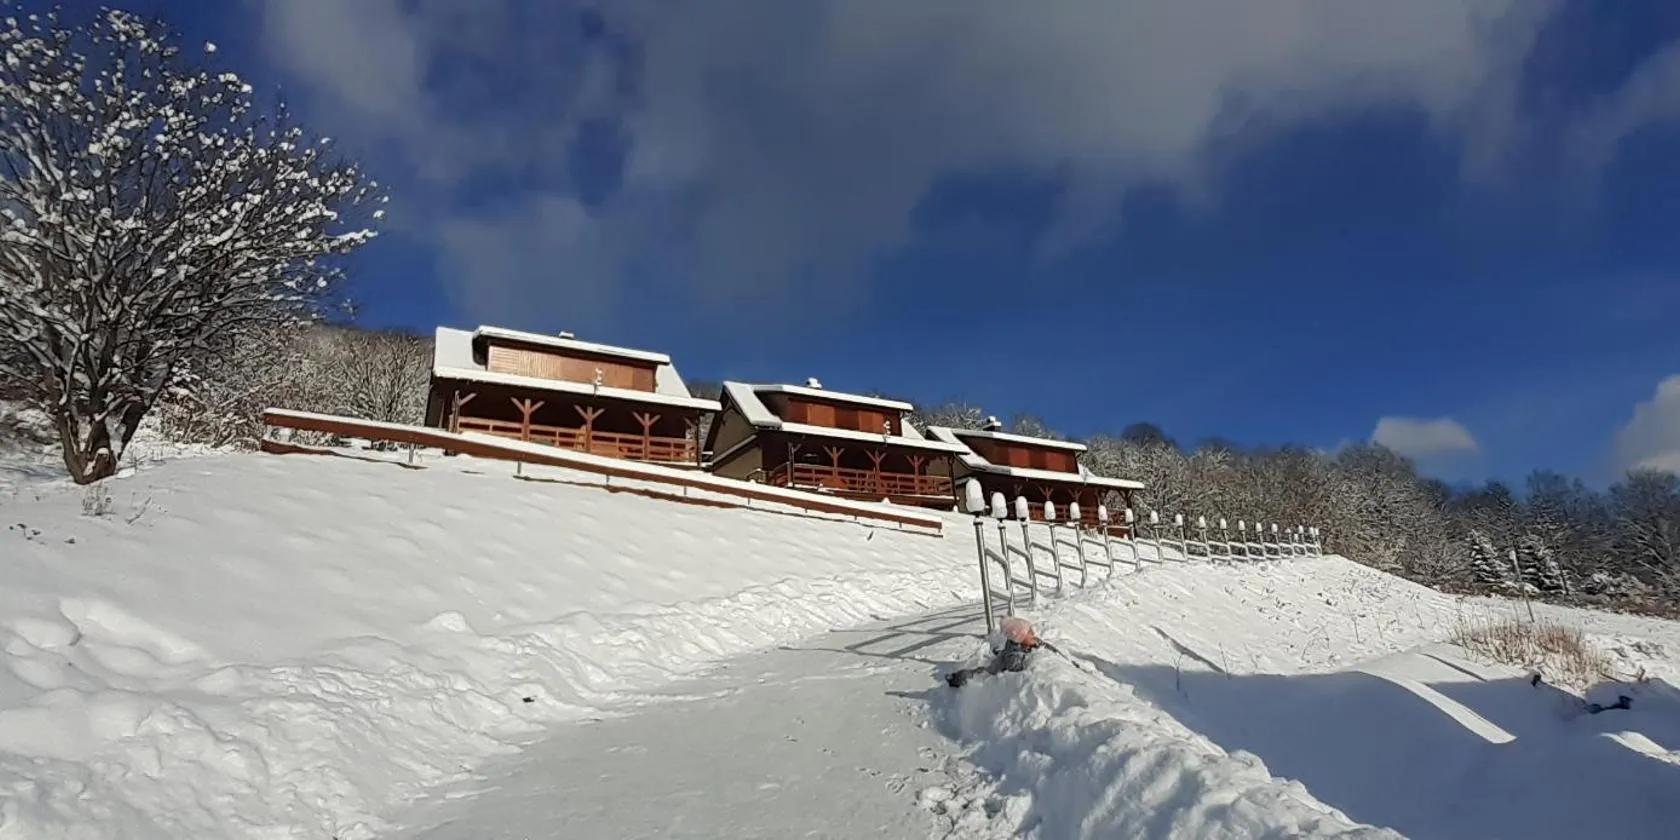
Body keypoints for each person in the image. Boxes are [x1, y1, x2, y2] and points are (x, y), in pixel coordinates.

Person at [946, 617, 1041, 688]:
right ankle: (955, 678)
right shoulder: (1014, 656)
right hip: (989, 675)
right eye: (1030, 633)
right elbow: (1015, 671)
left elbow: (1025, 644)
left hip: (997, 663)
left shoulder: (1016, 644)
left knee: (980, 671)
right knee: (974, 675)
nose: (1033, 634)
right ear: (1020, 637)